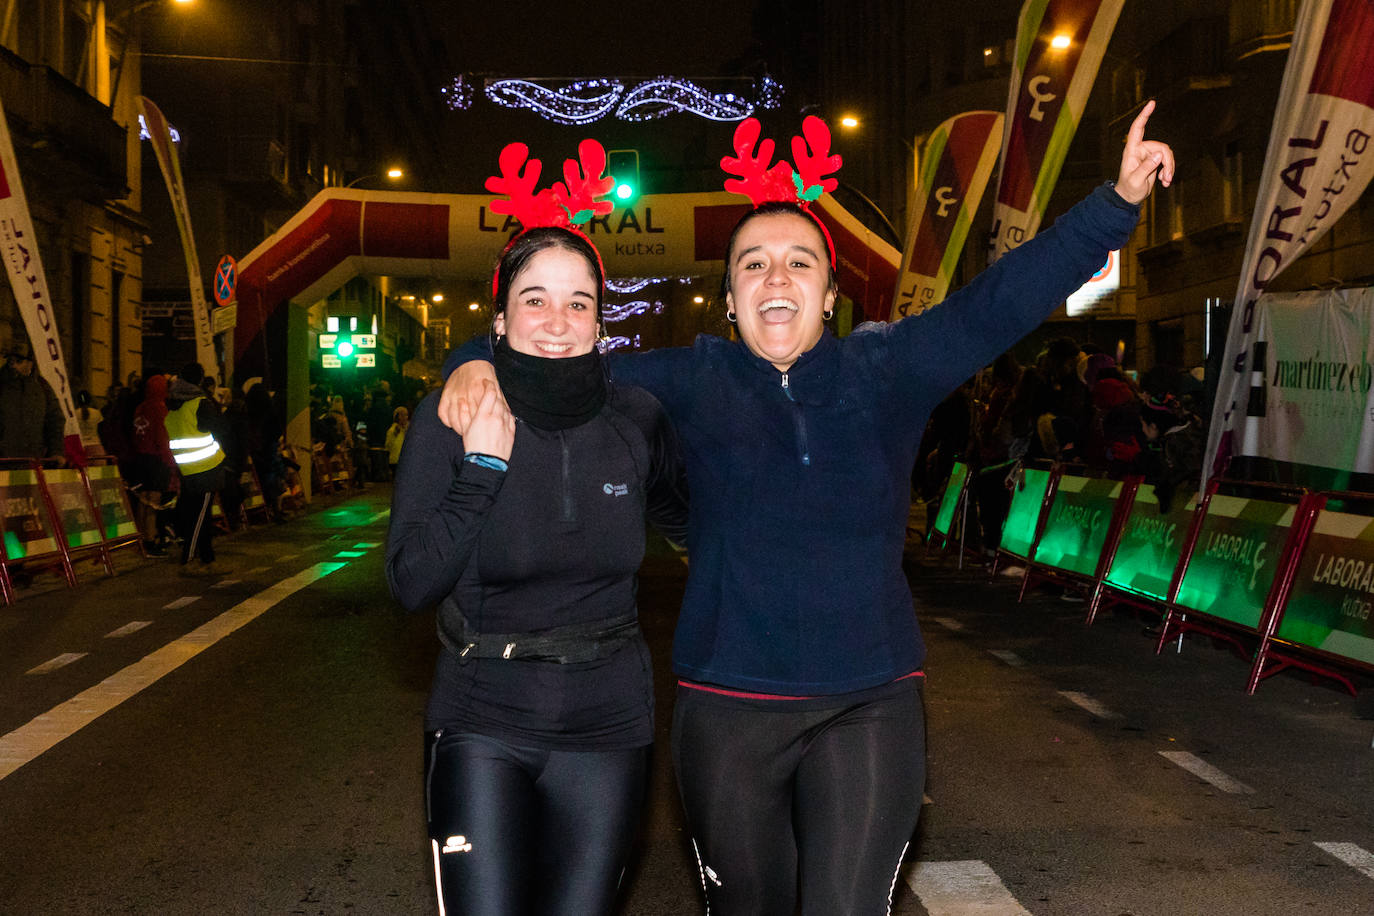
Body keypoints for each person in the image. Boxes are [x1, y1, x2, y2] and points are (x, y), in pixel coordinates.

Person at [439, 107, 1173, 914]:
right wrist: (471, 360)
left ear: (830, 293)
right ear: (729, 300)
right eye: (753, 266)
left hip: (870, 699)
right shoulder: (688, 380)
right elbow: (555, 351)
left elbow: (999, 302)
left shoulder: (888, 368)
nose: (776, 278)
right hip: (726, 709)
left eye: (799, 262)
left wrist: (1116, 201)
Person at [386, 139, 688, 916]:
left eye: (579, 301)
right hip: (481, 716)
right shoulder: (453, 415)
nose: (558, 320)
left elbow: (704, 526)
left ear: (601, 318)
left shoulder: (638, 418)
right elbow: (411, 582)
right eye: (535, 298)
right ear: (501, 315)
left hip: (611, 722)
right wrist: (481, 470)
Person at [165, 362, 227, 572]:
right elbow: (217, 429)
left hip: (186, 467)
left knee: (198, 515)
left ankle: (208, 559)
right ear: (200, 380)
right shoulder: (200, 403)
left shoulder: (173, 403)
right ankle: (189, 560)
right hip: (206, 466)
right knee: (201, 517)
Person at [130, 372, 178, 555]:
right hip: (157, 459)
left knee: (143, 500)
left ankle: (141, 539)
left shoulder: (140, 407)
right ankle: (150, 540)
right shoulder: (160, 408)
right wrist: (170, 461)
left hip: (141, 458)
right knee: (153, 502)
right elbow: (162, 437)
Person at [0, 340, 65, 460]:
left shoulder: (42, 387)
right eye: (10, 361)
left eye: (19, 361)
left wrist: (56, 452)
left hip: (34, 461)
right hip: (4, 461)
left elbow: (55, 420)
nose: (13, 365)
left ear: (30, 363)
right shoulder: (2, 384)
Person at [385, 404, 408, 477]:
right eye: (403, 415)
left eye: (406, 415)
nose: (405, 418)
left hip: (404, 460)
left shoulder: (407, 429)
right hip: (396, 460)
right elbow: (388, 445)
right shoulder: (394, 430)